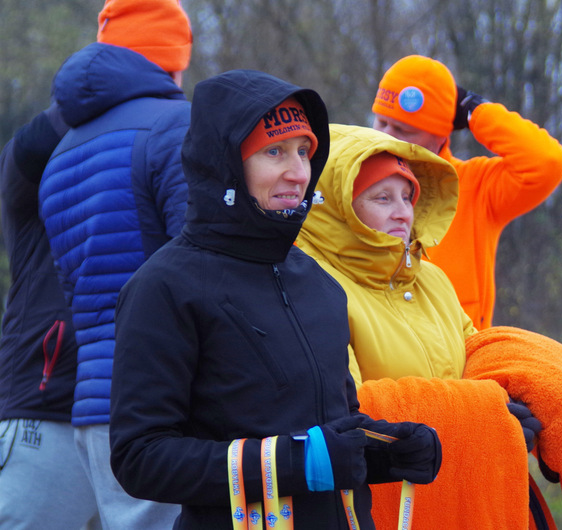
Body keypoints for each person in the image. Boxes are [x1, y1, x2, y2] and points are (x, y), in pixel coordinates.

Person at [108, 69, 442, 530]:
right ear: (226, 163)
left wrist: (386, 452)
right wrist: (296, 463)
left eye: (304, 151)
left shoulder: (319, 283)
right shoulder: (164, 286)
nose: (299, 172)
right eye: (274, 152)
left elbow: (332, 428)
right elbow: (140, 458)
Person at [296, 124, 562, 529]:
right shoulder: (313, 288)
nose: (403, 212)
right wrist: (487, 421)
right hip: (387, 507)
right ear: (336, 206)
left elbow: (472, 355)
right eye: (382, 198)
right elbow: (345, 411)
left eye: (408, 196)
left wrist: (531, 394)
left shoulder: (430, 278)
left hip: (471, 493)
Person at [37, 0, 194, 527]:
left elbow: (73, 290)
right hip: (168, 403)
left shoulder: (60, 155)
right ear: (172, 57)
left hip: (94, 409)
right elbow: (201, 264)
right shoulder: (175, 126)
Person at [372, 54, 562, 329]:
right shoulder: (353, 183)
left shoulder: (476, 187)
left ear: (440, 136)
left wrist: (475, 111)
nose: (387, 137)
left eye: (404, 130)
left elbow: (547, 162)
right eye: (381, 123)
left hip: (460, 351)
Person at [0, 105, 101, 529]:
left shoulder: (142, 187)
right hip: (45, 411)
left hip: (133, 424)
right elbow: (29, 147)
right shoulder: (29, 186)